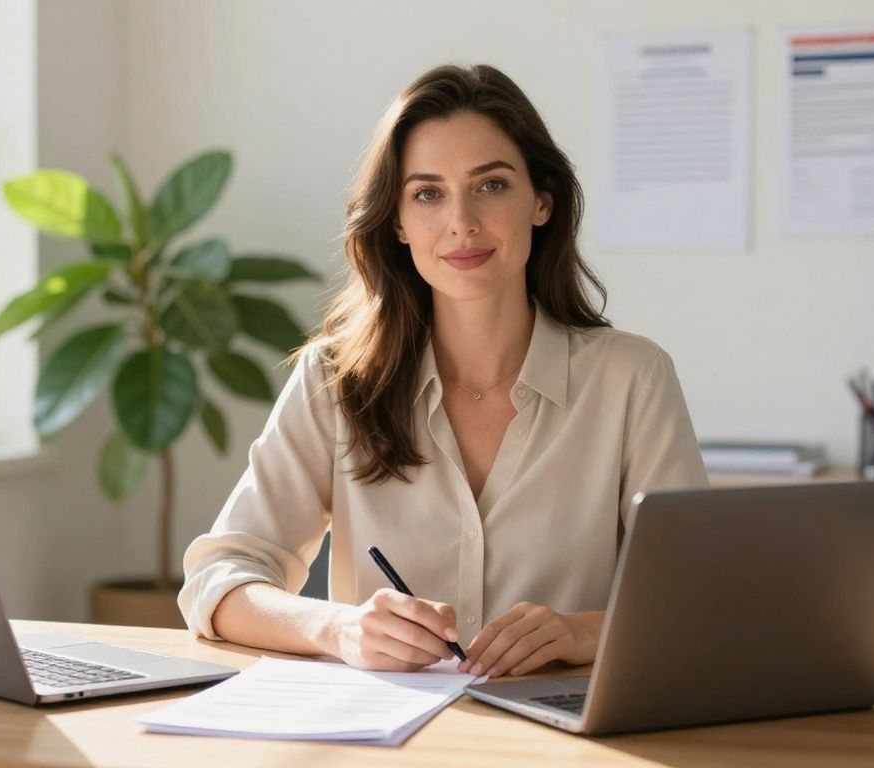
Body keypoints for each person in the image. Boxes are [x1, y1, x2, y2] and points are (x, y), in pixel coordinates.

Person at [179, 63, 707, 679]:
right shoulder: (336, 379)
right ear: (397, 222)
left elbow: (700, 596)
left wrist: (582, 632)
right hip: (387, 726)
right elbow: (218, 580)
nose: (462, 222)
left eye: (491, 185)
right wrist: (339, 628)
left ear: (541, 202)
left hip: (563, 724)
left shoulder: (631, 378)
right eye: (427, 193)